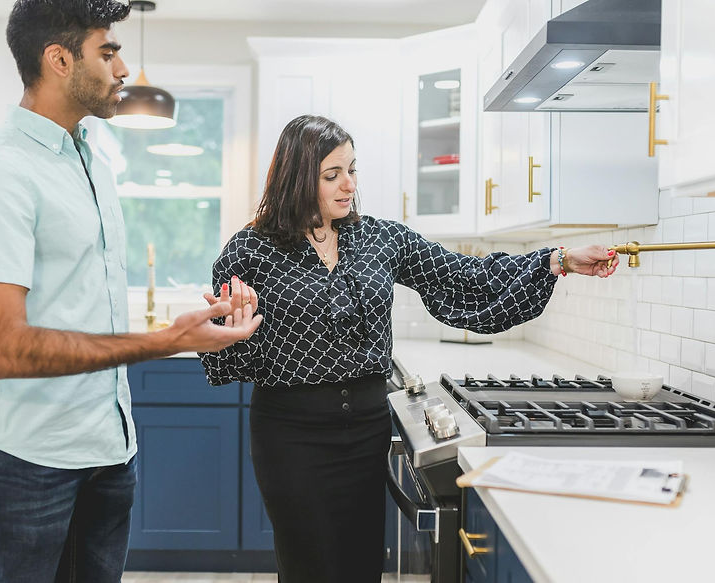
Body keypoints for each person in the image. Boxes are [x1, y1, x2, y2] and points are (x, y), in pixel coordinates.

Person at [199, 114, 619, 582]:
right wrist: (230, 331)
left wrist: (557, 260)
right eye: (332, 175)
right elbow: (224, 360)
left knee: (360, 564)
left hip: (365, 429)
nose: (348, 186)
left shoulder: (380, 238)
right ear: (298, 177)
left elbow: (465, 278)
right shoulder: (249, 249)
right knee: (308, 566)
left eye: (352, 171)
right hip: (290, 435)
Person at [0, 2, 262, 581]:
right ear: (59, 59)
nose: (122, 68)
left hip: (106, 451)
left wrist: (184, 326)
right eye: (108, 52)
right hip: (22, 459)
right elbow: (4, 349)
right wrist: (163, 341)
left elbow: (81, 298)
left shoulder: (91, 163)